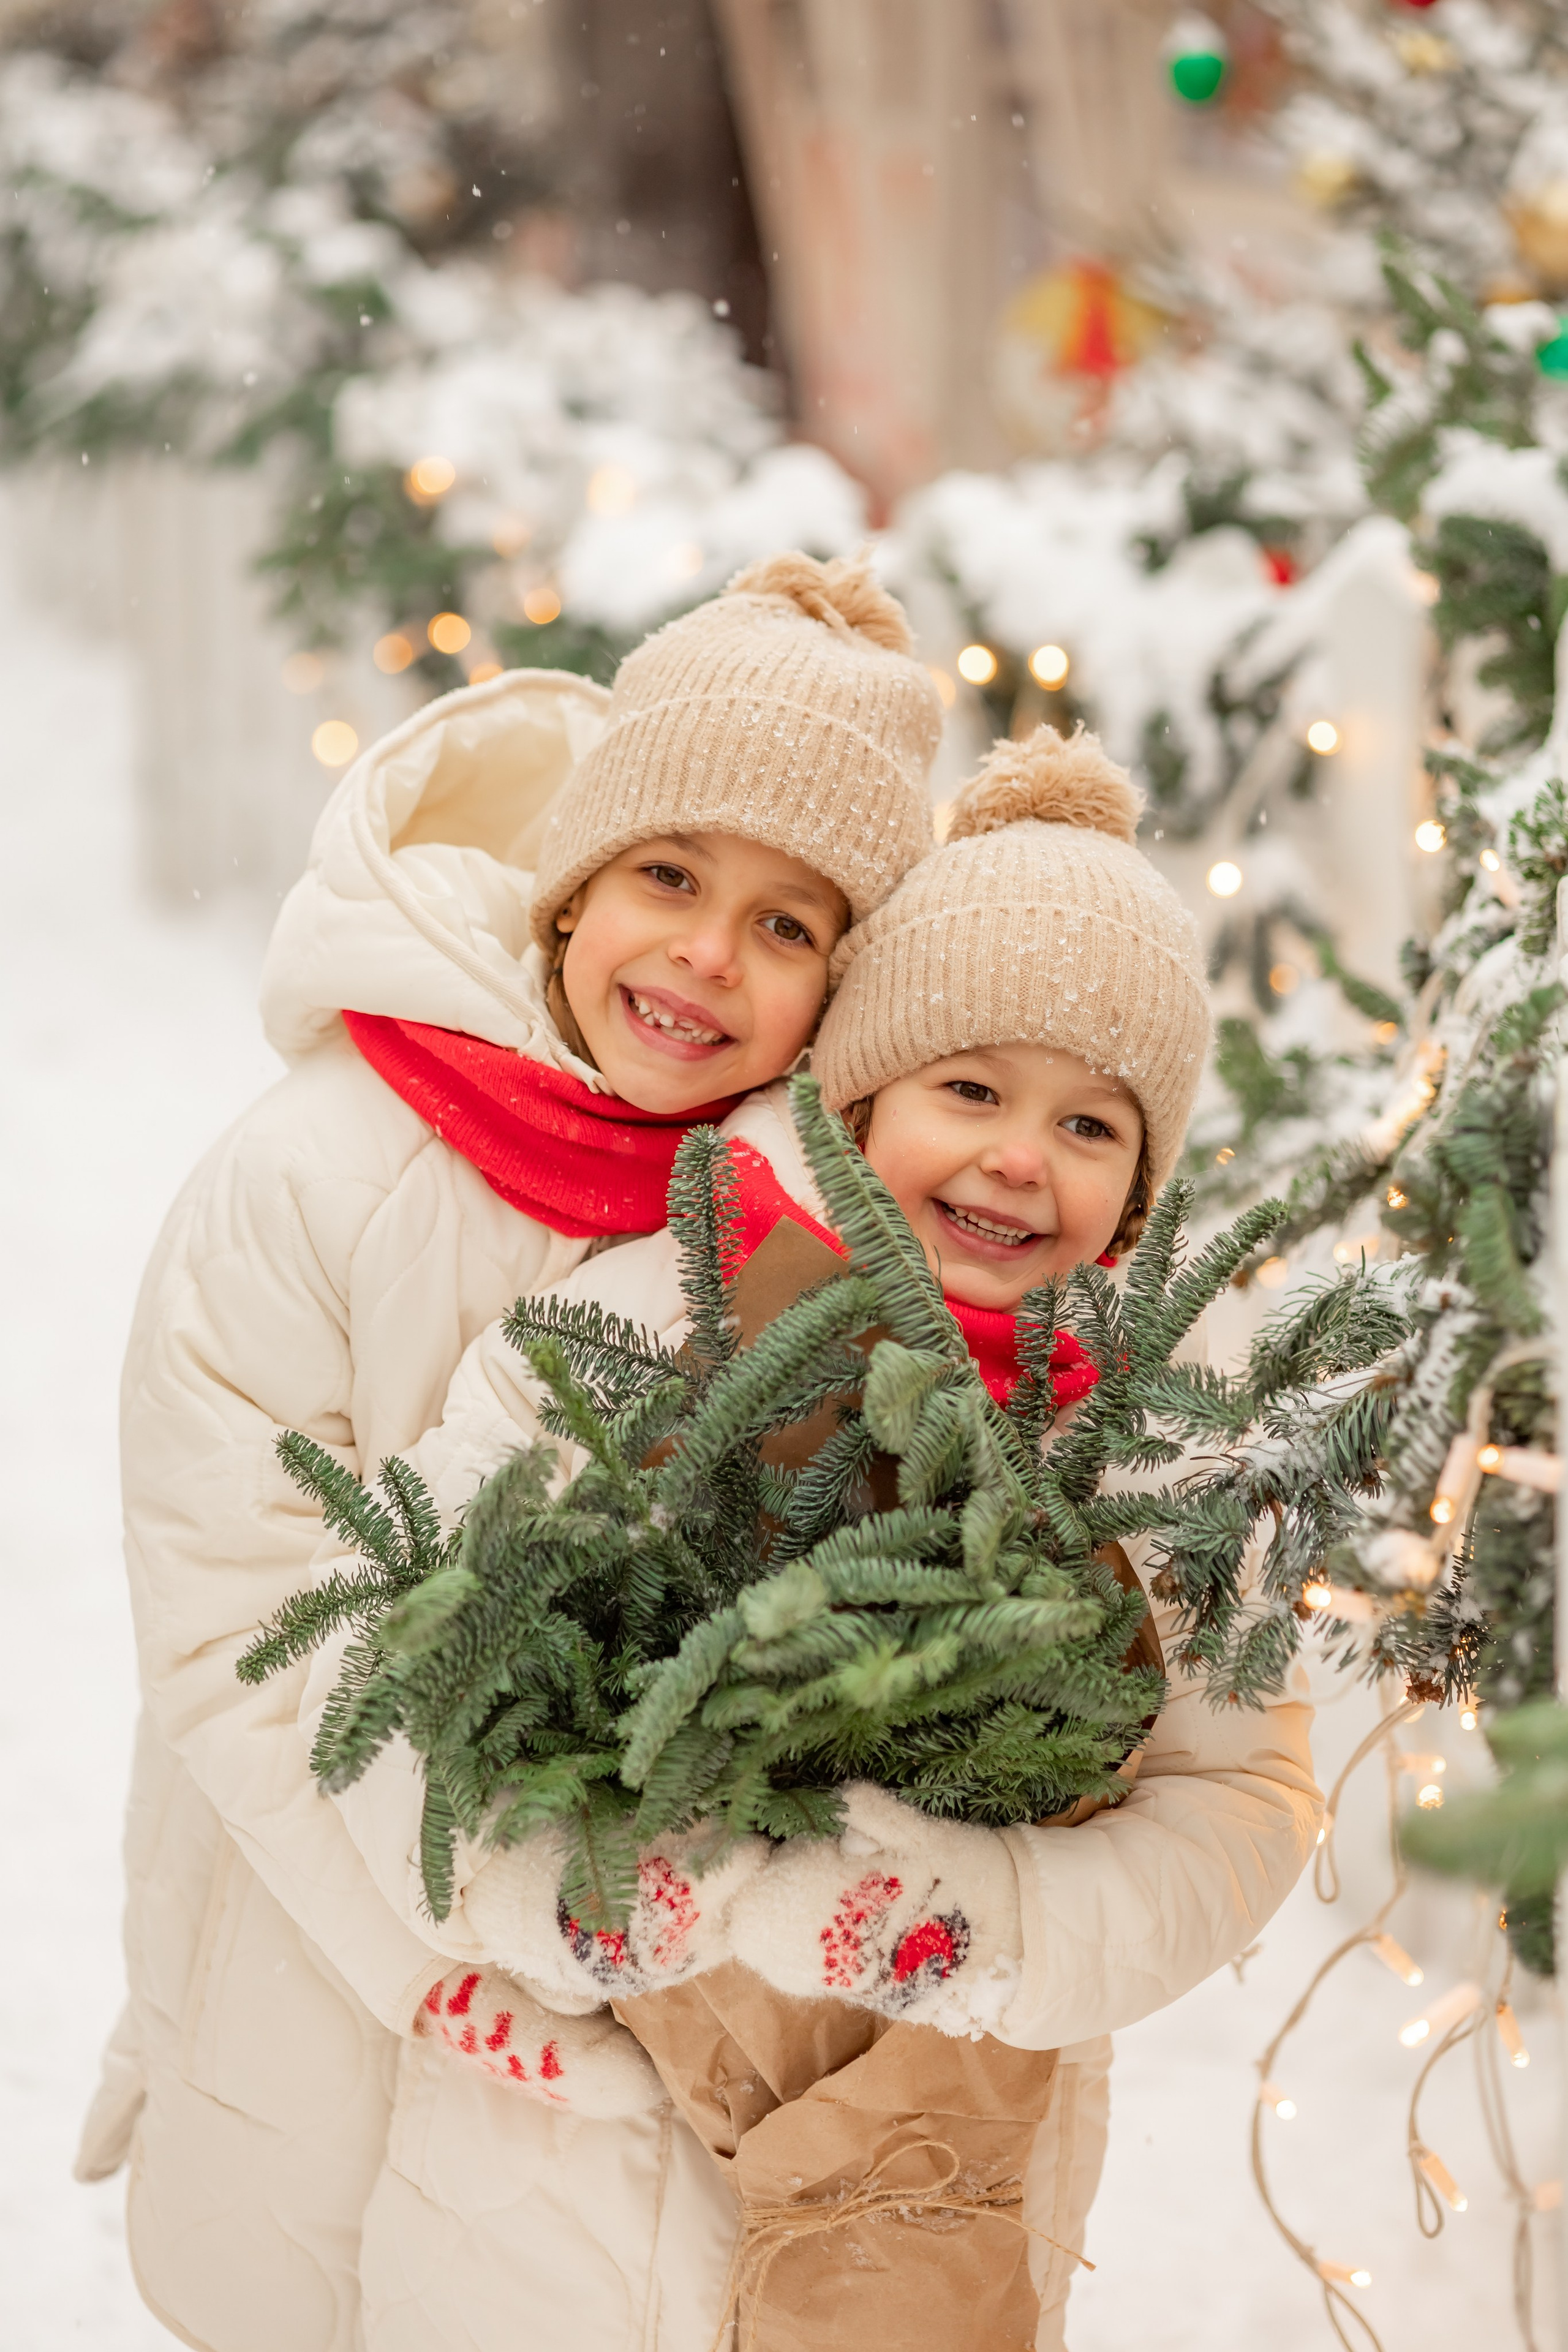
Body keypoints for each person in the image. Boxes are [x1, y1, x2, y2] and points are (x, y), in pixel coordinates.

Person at [312, 725, 1321, 2351]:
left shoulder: (1158, 1456)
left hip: (941, 2202)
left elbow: (1242, 1798)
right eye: (973, 1090)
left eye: (1091, 1125)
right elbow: (392, 1645)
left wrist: (988, 1925)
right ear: (859, 1101)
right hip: (559, 2195)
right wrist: (541, 1883)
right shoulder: (651, 1321)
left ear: (1140, 1191)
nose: (1017, 1156)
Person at [79, 551, 943, 2352]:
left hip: (630, 2050)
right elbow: (234, 1631)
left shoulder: (809, 1248)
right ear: (571, 889)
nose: (707, 954)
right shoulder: (312, 1173)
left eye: (788, 927)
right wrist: (424, 1972)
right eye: (669, 876)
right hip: (315, 1971)